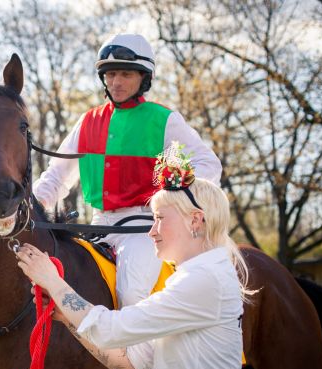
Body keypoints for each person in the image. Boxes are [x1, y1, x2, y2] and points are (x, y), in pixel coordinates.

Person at [17, 147, 248, 369]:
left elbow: (109, 330)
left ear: (195, 220)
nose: (151, 231)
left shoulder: (204, 280)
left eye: (160, 219)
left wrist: (54, 282)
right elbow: (126, 364)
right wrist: (66, 317)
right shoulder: (194, 279)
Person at [33, 33, 222, 310]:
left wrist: (176, 199)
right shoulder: (88, 121)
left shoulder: (164, 120)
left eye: (125, 74)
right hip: (95, 224)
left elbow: (208, 166)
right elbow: (57, 176)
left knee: (131, 293)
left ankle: (143, 355)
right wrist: (32, 208)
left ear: (143, 78)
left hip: (142, 228)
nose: (116, 82)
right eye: (110, 75)